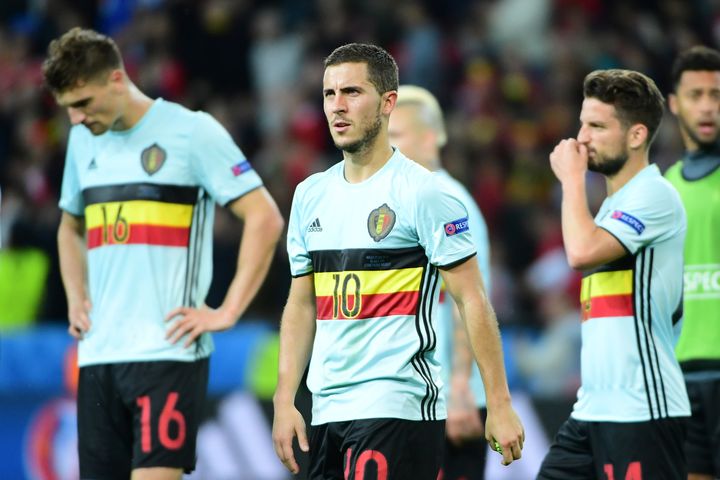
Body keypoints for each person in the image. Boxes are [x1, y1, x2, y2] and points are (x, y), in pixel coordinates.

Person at [271, 43, 524, 480]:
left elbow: (472, 299)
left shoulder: (424, 192)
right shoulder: (309, 194)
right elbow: (302, 303)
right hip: (328, 407)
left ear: (388, 102)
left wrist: (497, 404)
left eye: (352, 92)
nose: (338, 106)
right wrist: (284, 397)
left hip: (396, 404)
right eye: (329, 94)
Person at [43, 27, 284, 480]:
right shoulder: (82, 142)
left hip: (166, 351)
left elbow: (265, 217)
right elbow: (69, 226)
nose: (75, 119)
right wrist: (77, 296)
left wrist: (227, 311)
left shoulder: (191, 132)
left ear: (117, 79)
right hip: (97, 356)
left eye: (83, 103)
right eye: (68, 108)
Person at [537, 69, 690, 479]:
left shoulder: (653, 195)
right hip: (594, 408)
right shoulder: (611, 209)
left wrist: (571, 181)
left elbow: (581, 253)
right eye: (582, 123)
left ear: (637, 136)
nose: (581, 137)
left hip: (642, 408)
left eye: (597, 126)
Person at [388, 84, 492, 480]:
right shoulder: (414, 198)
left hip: (451, 400)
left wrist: (461, 386)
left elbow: (469, 301)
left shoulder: (449, 200)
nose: (388, 147)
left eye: (396, 136)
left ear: (429, 138)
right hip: (423, 398)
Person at [666, 45, 720, 480]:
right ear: (674, 103)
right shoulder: (664, 190)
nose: (706, 106)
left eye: (716, 94)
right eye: (696, 94)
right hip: (680, 378)